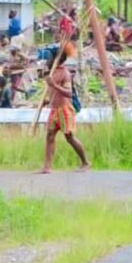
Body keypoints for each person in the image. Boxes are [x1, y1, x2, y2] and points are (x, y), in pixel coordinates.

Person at [40, 42, 90, 173]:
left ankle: (85, 162)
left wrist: (54, 85)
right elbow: (53, 92)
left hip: (65, 110)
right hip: (54, 110)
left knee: (69, 137)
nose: (47, 60)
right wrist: (47, 100)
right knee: (50, 136)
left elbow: (68, 93)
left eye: (49, 58)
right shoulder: (52, 73)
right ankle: (47, 167)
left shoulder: (65, 73)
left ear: (57, 59)